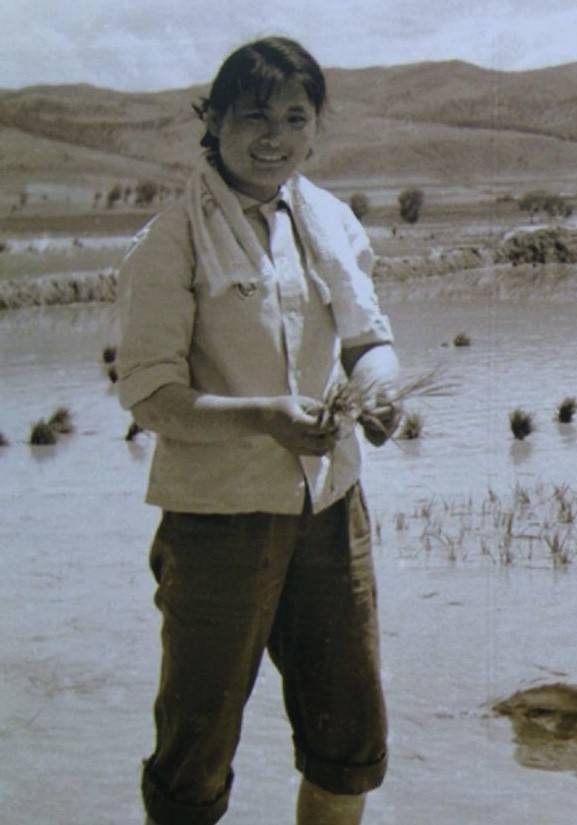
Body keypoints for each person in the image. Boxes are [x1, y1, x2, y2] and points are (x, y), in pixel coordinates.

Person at [114, 37, 399, 825]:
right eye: (253, 116)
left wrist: (381, 390)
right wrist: (265, 418)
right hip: (218, 522)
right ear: (213, 123)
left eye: (294, 118)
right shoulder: (170, 240)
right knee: (196, 747)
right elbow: (150, 397)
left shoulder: (329, 219)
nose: (274, 136)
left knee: (348, 735)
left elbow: (367, 339)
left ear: (315, 128)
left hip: (330, 510)